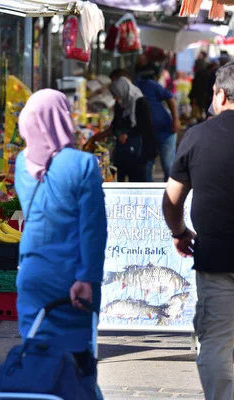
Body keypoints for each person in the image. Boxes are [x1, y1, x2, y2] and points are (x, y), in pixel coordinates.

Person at [14, 89, 107, 398]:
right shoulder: (83, 164)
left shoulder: (21, 164)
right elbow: (93, 229)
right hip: (72, 278)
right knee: (78, 363)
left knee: (37, 357)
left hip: (32, 277)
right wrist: (88, 277)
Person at [163, 62, 234, 400]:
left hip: (217, 261)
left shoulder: (198, 136)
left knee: (218, 344)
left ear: (220, 94)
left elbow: (173, 199)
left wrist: (179, 232)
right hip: (216, 261)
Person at [135, 66, 181, 182]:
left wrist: (176, 119)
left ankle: (169, 194)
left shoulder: (149, 85)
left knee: (166, 165)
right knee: (162, 164)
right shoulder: (140, 86)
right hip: (152, 132)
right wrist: (175, 119)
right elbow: (170, 98)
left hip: (165, 130)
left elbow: (170, 98)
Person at [109, 77, 158, 182]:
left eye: (115, 94)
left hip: (141, 149)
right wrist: (119, 134)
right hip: (126, 150)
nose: (115, 98)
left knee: (139, 180)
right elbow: (116, 123)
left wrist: (128, 135)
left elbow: (145, 125)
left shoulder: (140, 101)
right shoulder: (121, 103)